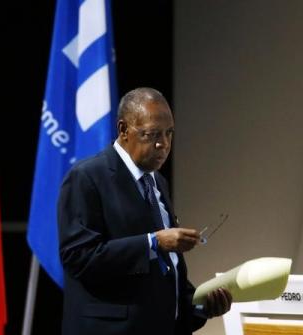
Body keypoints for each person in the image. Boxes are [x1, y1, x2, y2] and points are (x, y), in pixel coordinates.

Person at [57, 87, 232, 335]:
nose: (163, 144)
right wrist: (153, 243)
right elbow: (78, 257)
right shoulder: (87, 177)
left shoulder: (157, 182)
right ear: (123, 130)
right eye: (152, 134)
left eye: (169, 133)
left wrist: (199, 306)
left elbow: (163, 271)